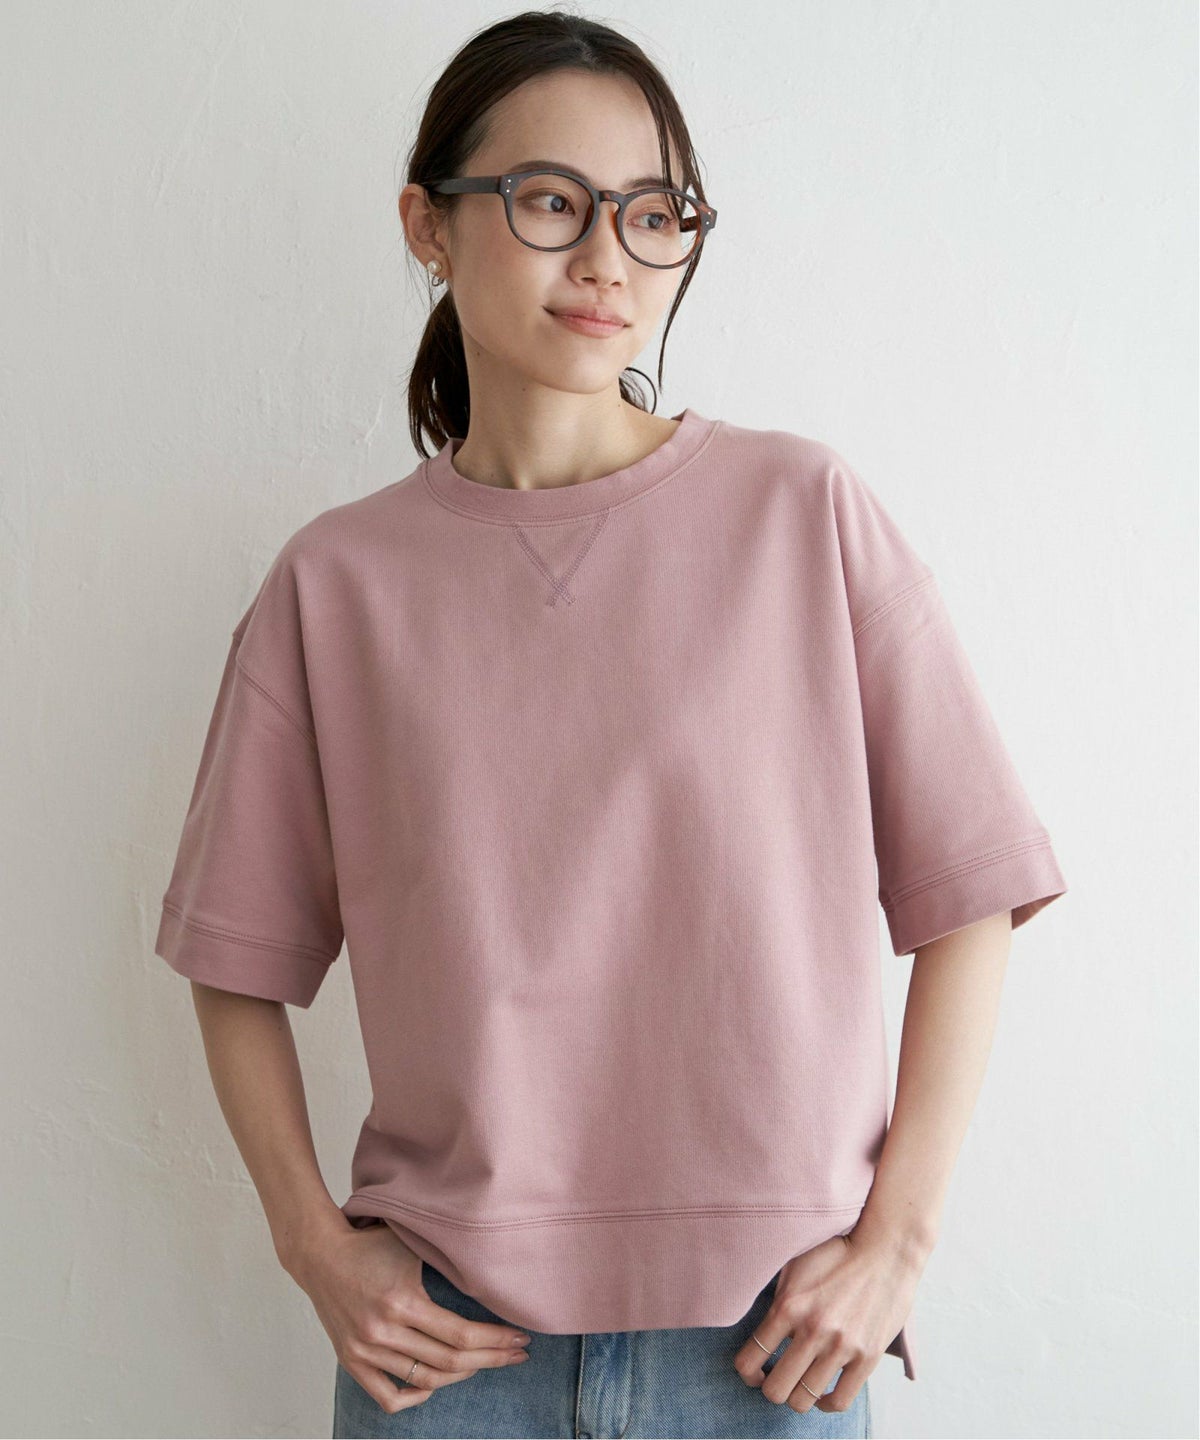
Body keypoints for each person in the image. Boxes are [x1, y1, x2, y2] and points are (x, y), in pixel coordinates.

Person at [154, 10, 1068, 1440]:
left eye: (653, 213)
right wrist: (313, 1246)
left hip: (772, 1348)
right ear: (428, 225)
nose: (607, 259)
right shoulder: (337, 585)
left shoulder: (802, 514)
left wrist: (897, 1245)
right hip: (447, 1358)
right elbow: (232, 956)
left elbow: (975, 896)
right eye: (550, 201)